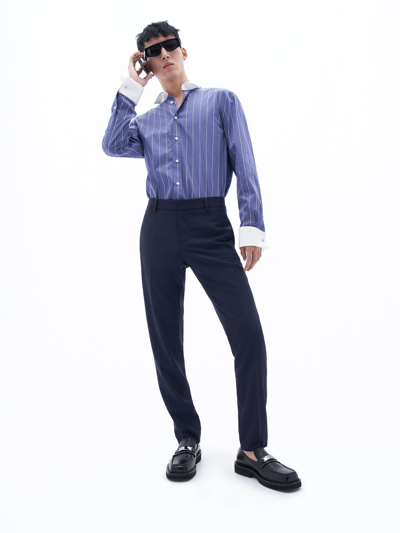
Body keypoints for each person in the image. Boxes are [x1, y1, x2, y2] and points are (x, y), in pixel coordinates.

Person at [102, 20, 301, 491]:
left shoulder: (221, 101)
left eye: (170, 46)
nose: (164, 54)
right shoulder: (145, 121)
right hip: (158, 227)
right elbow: (111, 145)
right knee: (165, 338)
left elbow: (245, 163)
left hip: (211, 225)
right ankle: (186, 438)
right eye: (153, 52)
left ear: (183, 51)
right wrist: (131, 86)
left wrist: (251, 225)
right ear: (147, 63)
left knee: (248, 334)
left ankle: (252, 450)